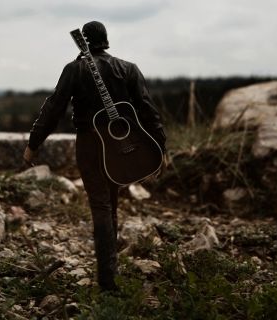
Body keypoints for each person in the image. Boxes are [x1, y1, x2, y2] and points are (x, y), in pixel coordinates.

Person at [23, 21, 166, 291]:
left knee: (101, 205)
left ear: (84, 42)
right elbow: (148, 111)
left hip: (90, 144)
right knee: (110, 202)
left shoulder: (74, 69)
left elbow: (53, 109)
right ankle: (109, 274)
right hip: (123, 144)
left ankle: (107, 282)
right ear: (106, 40)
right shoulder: (129, 69)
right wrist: (159, 148)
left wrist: (34, 143)